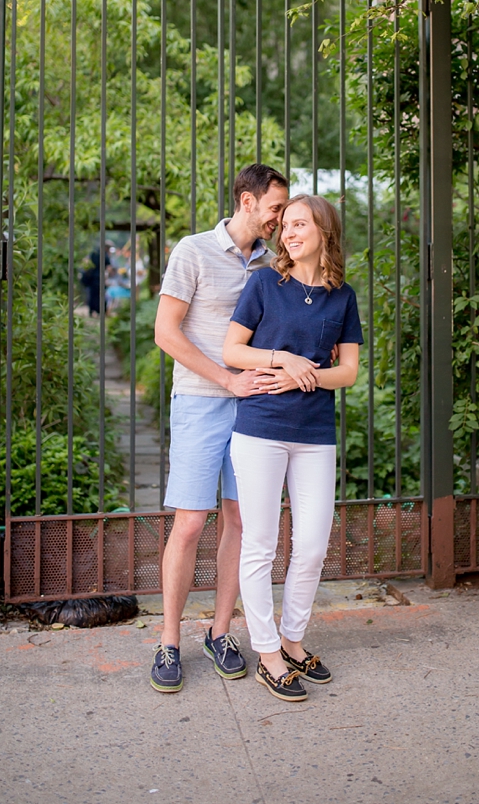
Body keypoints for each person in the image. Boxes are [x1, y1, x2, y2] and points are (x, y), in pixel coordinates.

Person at [150, 163, 290, 693]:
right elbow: (166, 333)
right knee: (189, 523)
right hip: (201, 400)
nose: (280, 218)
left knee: (242, 520)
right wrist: (227, 380)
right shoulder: (192, 250)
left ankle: (221, 632)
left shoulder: (275, 264)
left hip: (257, 409)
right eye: (275, 207)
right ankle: (167, 641)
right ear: (247, 201)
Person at [222, 194, 362, 703]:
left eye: (301, 224)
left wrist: (309, 375)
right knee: (260, 544)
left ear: (325, 231)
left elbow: (348, 371)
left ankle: (293, 641)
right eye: (287, 225)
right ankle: (267, 653)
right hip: (259, 427)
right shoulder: (263, 282)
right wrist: (284, 359)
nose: (289, 231)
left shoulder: (342, 296)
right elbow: (231, 350)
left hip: (314, 434)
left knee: (314, 544)